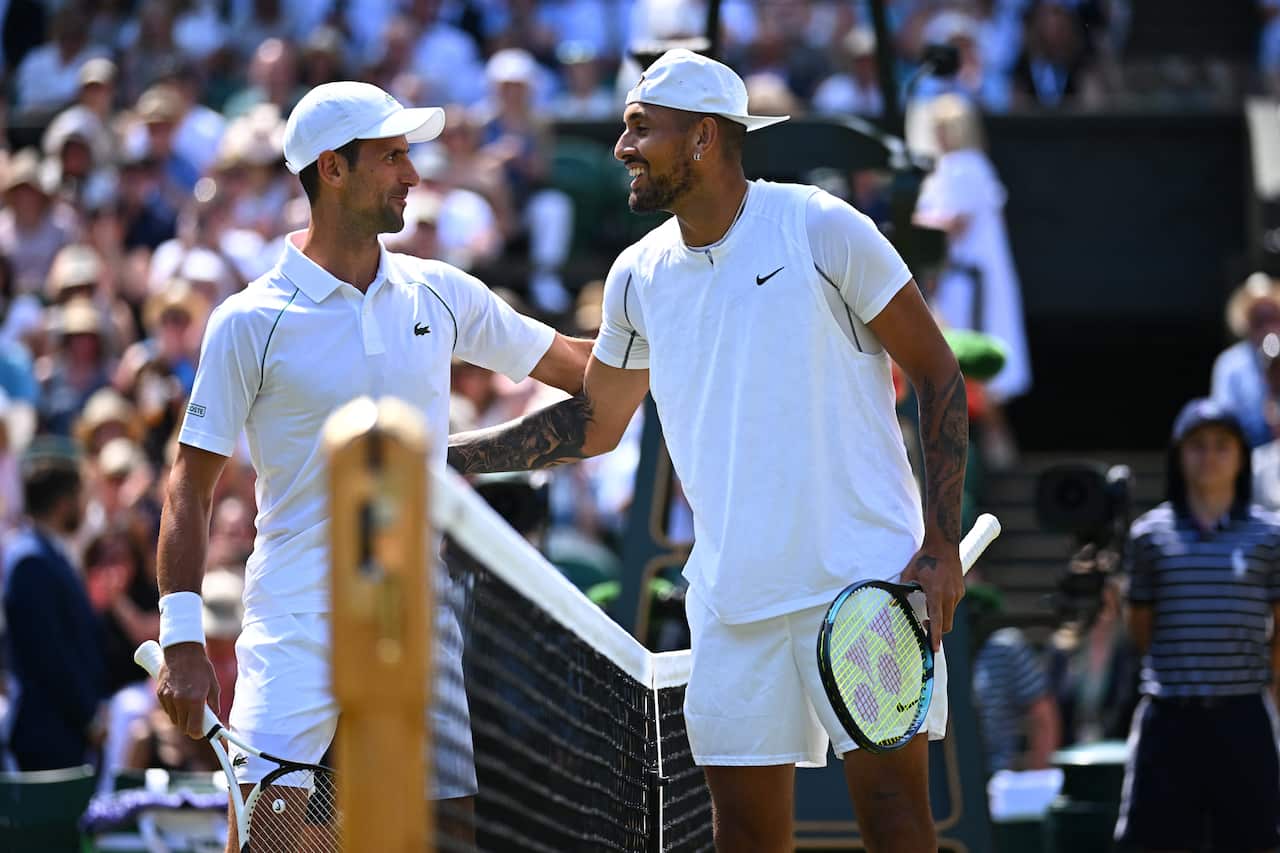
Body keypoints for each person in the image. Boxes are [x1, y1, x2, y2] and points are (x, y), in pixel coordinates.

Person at [448, 49, 969, 853]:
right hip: (732, 606)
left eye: (638, 128)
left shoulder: (822, 227)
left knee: (898, 825)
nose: (621, 148)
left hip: (864, 582)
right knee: (744, 840)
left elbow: (937, 370)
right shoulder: (635, 277)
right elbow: (595, 423)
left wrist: (940, 544)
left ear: (701, 139)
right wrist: (449, 459)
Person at [150, 81, 592, 851]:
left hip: (420, 619)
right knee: (267, 842)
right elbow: (189, 486)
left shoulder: (440, 291)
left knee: (442, 839)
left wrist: (688, 334)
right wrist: (183, 638)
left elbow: (578, 367)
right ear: (332, 169)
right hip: (295, 621)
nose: (412, 175)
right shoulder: (249, 322)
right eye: (392, 157)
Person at [1115, 399, 1280, 852]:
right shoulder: (1150, 535)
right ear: (1179, 455)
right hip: (1170, 716)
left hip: (1243, 714)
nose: (1209, 457)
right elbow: (1141, 627)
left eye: (1222, 446)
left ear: (1241, 456)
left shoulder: (1270, 536)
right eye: (1198, 446)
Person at [2, 446, 108, 771]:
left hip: (63, 728)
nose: (85, 506)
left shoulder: (47, 552)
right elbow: (51, 655)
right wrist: (88, 716)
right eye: (81, 496)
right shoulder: (30, 560)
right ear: (64, 502)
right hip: (47, 731)